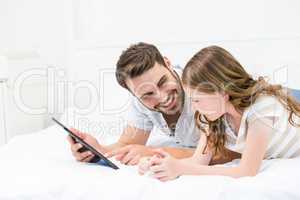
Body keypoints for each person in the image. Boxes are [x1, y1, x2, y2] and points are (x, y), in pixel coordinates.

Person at [138, 45, 300, 181]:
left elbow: (247, 171)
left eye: (197, 100)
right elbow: (198, 161)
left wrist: (180, 168)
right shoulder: (211, 118)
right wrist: (160, 163)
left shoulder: (262, 109)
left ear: (223, 92)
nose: (193, 108)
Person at [67, 43, 241, 166]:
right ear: (134, 94)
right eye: (147, 94)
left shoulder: (203, 89)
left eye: (163, 82)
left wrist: (154, 152)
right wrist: (98, 150)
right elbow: (128, 143)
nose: (163, 97)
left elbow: (233, 152)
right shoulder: (140, 102)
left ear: (167, 63)